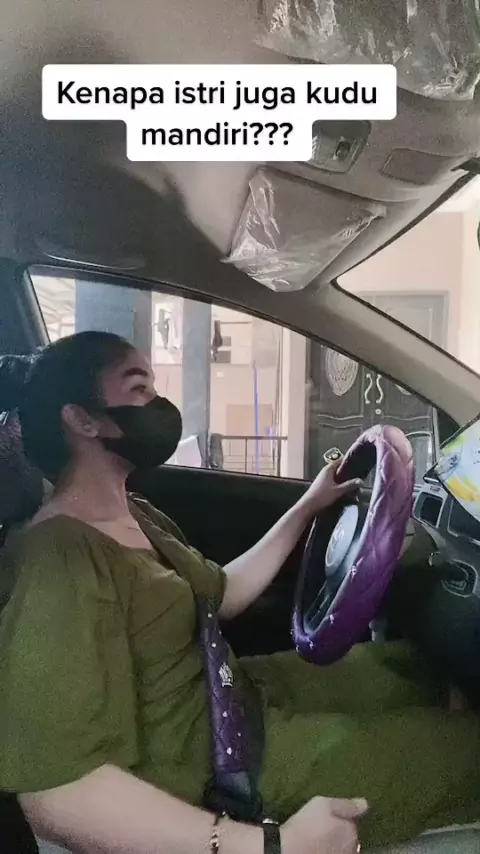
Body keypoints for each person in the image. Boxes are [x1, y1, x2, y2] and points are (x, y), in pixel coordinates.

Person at [0, 332, 478, 854]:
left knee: (414, 670)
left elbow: (221, 593)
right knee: (463, 752)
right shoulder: (57, 560)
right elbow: (56, 794)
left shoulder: (132, 512)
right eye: (139, 389)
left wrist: (309, 505)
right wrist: (271, 845)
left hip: (234, 699)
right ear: (82, 419)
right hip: (219, 774)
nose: (159, 405)